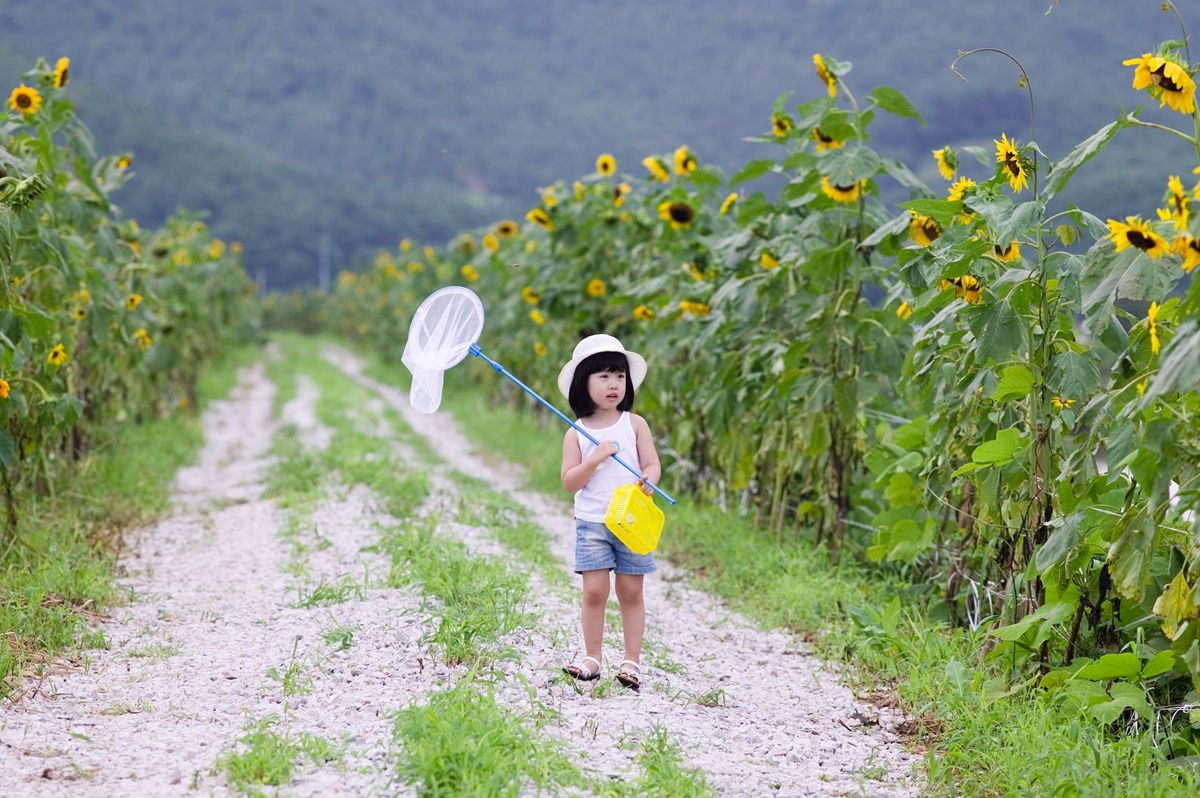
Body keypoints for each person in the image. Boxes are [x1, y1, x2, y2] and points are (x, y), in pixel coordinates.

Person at [558, 334, 661, 691]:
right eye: (602, 376)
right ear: (583, 384)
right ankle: (592, 658)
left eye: (619, 375)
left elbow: (651, 464)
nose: (613, 383)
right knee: (595, 590)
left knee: (631, 590)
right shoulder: (577, 433)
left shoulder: (635, 424)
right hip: (593, 523)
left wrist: (649, 479)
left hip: (631, 520)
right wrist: (595, 458)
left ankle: (631, 663)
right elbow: (570, 482)